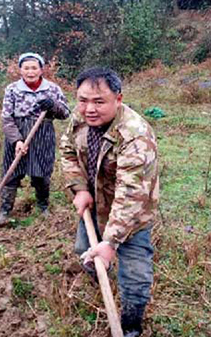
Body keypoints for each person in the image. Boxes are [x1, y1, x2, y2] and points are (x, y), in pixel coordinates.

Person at [60, 67, 159, 337]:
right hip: (94, 205)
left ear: (118, 98)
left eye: (99, 101)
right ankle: (101, 277)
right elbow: (67, 150)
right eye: (82, 100)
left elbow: (131, 194)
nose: (89, 108)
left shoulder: (134, 135)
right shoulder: (78, 119)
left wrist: (111, 242)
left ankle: (131, 325)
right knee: (84, 249)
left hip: (132, 214)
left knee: (135, 277)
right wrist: (79, 188)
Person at [0, 52, 70, 226]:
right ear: (20, 70)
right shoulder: (12, 89)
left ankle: (42, 207)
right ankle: (4, 211)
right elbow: (6, 118)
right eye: (26, 68)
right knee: (11, 173)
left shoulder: (52, 89)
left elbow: (65, 113)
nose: (30, 71)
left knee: (41, 173)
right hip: (17, 134)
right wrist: (17, 141)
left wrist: (53, 106)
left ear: (41, 70)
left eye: (34, 68)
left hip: (42, 134)